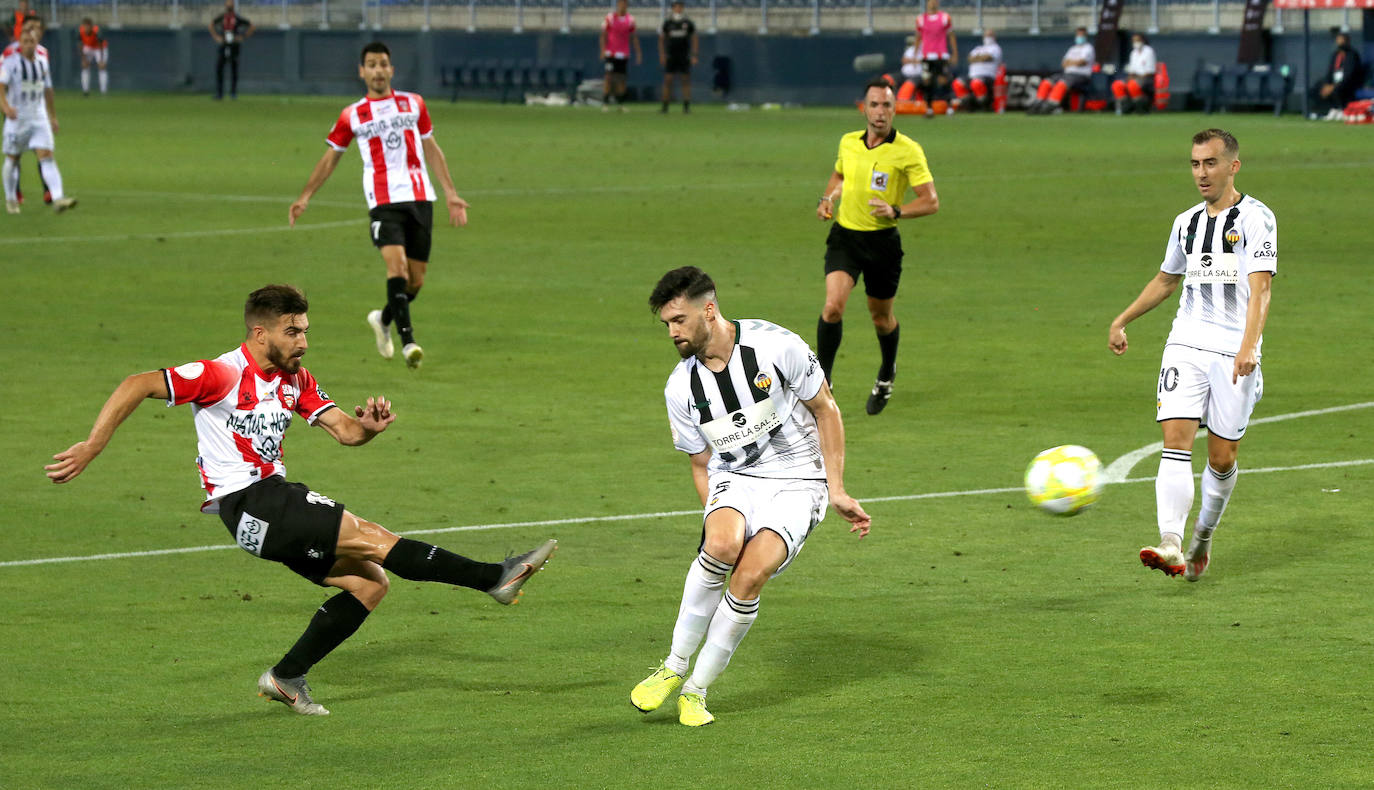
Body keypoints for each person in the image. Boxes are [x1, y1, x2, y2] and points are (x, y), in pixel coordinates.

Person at [45, 284, 558, 716]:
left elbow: (346, 432)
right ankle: (495, 577)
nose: (304, 341)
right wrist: (92, 446)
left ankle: (287, 677)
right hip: (253, 501)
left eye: (306, 330)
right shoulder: (221, 374)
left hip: (257, 518)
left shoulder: (295, 379)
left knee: (368, 585)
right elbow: (137, 383)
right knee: (375, 540)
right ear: (259, 332)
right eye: (293, 331)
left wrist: (370, 429)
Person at [631, 266, 871, 727]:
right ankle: (672, 665)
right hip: (734, 475)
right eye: (666, 325)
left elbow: (826, 409)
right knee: (720, 546)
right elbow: (701, 463)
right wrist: (717, 515)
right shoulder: (681, 387)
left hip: (801, 479)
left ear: (709, 309)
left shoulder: (777, 346)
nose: (673, 333)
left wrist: (836, 488)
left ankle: (695, 691)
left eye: (679, 320)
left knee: (749, 576)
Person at [1108, 129, 1276, 582]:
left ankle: (1203, 534)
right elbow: (1166, 279)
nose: (1201, 173)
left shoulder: (1258, 218)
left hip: (1233, 353)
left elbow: (1261, 288)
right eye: (1195, 164)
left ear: (1232, 166)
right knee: (1175, 441)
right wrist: (1123, 319)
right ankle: (1170, 542)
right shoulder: (1186, 223)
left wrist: (1247, 347)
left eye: (1210, 163)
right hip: (1186, 343)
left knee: (1222, 458)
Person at [289, 42, 469, 371]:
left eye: (382, 64)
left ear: (391, 69)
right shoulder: (352, 115)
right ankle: (409, 342)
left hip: (420, 199)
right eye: (370, 64)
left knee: (415, 281)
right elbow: (331, 158)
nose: (377, 70)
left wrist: (451, 193)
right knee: (396, 269)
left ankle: (382, 318)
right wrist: (305, 196)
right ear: (362, 71)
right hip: (383, 202)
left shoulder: (414, 104)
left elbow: (432, 149)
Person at [815, 78, 939, 415]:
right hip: (845, 237)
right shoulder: (848, 142)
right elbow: (839, 176)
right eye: (874, 105)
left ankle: (887, 371)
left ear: (895, 108)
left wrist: (897, 211)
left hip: (883, 243)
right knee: (832, 308)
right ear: (864, 108)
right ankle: (822, 383)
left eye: (886, 105)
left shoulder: (908, 150)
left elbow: (930, 201)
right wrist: (828, 198)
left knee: (881, 319)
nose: (880, 112)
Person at [1, 26, 75, 214]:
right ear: (19, 42)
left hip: (39, 118)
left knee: (47, 156)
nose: (28, 45)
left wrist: (53, 116)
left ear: (37, 43)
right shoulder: (11, 62)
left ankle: (58, 198)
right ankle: (10, 198)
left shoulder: (42, 61)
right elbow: (1, 87)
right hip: (18, 118)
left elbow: (48, 91)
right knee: (12, 159)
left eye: (32, 41)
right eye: (25, 42)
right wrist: (6, 108)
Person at [2, 13, 48, 204]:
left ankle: (48, 190)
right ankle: (15, 191)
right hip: (16, 110)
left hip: (36, 110)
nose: (33, 29)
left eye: (37, 27)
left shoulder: (43, 53)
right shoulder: (10, 53)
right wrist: (5, 107)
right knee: (15, 154)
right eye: (30, 26)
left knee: (43, 149)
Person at [1027, 27, 1095, 114]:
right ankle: (1038, 102)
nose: (1079, 37)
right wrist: (1074, 62)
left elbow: (1081, 62)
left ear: (1086, 36)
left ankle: (1051, 104)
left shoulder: (1088, 48)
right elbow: (1064, 63)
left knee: (1062, 83)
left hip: (1081, 76)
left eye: (1081, 35)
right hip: (1067, 73)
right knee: (1047, 81)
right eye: (1078, 35)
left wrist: (1071, 62)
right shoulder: (1072, 49)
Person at [914, 0, 957, 114]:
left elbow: (951, 36)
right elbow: (918, 37)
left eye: (934, 1)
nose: (932, 3)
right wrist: (915, 54)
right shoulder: (920, 19)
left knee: (943, 80)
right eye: (930, 1)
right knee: (927, 81)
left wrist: (954, 53)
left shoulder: (945, 18)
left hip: (941, 55)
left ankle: (949, 106)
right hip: (927, 56)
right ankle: (929, 108)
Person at [1311, 32, 1364, 120]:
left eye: (1342, 41)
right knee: (1317, 88)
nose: (1340, 43)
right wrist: (1326, 85)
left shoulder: (1352, 55)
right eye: (1338, 40)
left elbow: (1349, 75)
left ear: (1347, 41)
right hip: (1334, 82)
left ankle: (1341, 110)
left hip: (1348, 83)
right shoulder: (1335, 55)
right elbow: (1330, 72)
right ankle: (1324, 111)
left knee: (1338, 89)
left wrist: (1333, 86)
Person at [209, 0, 253, 100]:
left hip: (234, 45)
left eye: (231, 3)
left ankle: (233, 93)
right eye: (228, 3)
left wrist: (243, 36)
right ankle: (219, 93)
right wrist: (216, 37)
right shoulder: (222, 17)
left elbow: (251, 26)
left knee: (234, 68)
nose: (229, 5)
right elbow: (211, 24)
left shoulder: (237, 18)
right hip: (224, 44)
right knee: (219, 68)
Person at [600, 0, 641, 110]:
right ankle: (605, 103)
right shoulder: (610, 18)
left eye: (625, 3)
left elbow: (634, 37)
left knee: (621, 78)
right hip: (611, 53)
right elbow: (603, 35)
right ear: (618, 4)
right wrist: (603, 50)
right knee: (608, 77)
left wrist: (638, 53)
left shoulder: (630, 20)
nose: (623, 5)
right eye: (621, 3)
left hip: (623, 53)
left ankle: (621, 103)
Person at [658, 0, 697, 114]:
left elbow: (694, 38)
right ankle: (665, 106)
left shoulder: (688, 22)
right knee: (668, 80)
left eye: (680, 6)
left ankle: (686, 106)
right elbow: (661, 39)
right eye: (676, 6)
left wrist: (694, 54)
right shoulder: (668, 22)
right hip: (671, 55)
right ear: (673, 8)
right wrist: (662, 54)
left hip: (684, 55)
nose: (678, 8)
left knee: (685, 80)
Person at [952, 29, 1002, 112]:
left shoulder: (996, 48)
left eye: (990, 35)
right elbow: (970, 58)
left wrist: (978, 58)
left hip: (987, 76)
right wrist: (981, 58)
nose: (988, 38)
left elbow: (988, 57)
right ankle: (969, 105)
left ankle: (984, 106)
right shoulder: (978, 48)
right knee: (957, 83)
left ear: (994, 37)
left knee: (976, 83)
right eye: (986, 35)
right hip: (972, 76)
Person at [1111, 33, 1156, 115]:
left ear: (1142, 41)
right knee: (1117, 85)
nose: (1136, 42)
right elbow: (1132, 70)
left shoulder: (1149, 51)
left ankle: (1141, 109)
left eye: (1137, 40)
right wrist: (1129, 78)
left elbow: (1150, 72)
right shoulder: (1133, 53)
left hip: (1146, 78)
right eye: (1134, 41)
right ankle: (1124, 108)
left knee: (1132, 85)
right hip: (1135, 78)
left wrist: (1135, 79)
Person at [78, 17, 109, 97]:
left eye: (88, 26)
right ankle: (86, 91)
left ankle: (103, 92)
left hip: (99, 48)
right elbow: (80, 46)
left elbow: (100, 44)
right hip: (88, 47)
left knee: (102, 68)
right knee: (85, 67)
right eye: (85, 26)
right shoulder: (81, 31)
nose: (86, 28)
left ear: (91, 26)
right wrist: (84, 60)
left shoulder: (96, 31)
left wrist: (101, 60)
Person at [897, 35, 921, 101]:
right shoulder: (910, 50)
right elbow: (904, 60)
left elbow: (923, 61)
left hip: (918, 76)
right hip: (904, 74)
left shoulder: (924, 50)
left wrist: (911, 60)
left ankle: (902, 102)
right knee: (888, 79)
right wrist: (914, 61)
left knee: (909, 83)